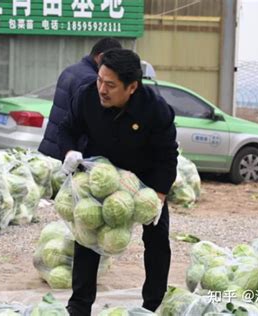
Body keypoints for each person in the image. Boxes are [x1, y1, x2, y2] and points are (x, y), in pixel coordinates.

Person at [57, 48, 179, 315]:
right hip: (102, 177)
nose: (102, 88)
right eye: (100, 80)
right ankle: (79, 306)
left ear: (132, 87)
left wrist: (158, 195)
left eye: (110, 85)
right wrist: (69, 151)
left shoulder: (155, 110)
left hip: (143, 180)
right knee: (87, 233)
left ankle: (153, 304)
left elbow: (168, 155)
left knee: (157, 239)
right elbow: (66, 128)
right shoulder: (87, 96)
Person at [38, 37, 122, 160]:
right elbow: (89, 123)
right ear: (100, 57)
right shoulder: (90, 80)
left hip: (52, 146)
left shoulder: (70, 70)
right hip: (68, 153)